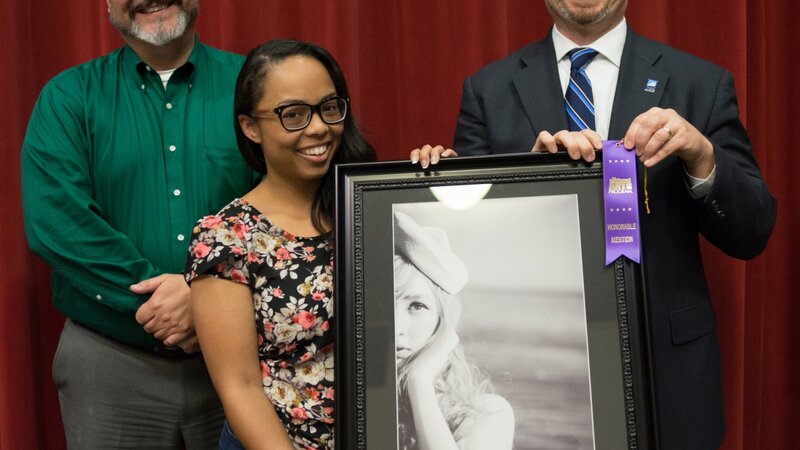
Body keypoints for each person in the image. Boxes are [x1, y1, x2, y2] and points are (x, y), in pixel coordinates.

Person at [411, 1, 777, 449]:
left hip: (669, 374)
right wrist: (527, 182)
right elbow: (470, 228)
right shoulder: (488, 90)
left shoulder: (700, 82)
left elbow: (752, 231)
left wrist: (702, 156)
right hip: (541, 384)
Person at [20, 1, 259, 448]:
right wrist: (171, 300)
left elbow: (293, 205)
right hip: (109, 364)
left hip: (246, 357)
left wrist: (204, 300)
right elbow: (56, 221)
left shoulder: (255, 86)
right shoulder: (68, 97)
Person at [184, 39, 377, 449]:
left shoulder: (369, 205)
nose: (319, 128)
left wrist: (427, 186)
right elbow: (240, 388)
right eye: (293, 114)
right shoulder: (226, 238)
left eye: (329, 107)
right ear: (250, 126)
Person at [392, 211, 514, 450]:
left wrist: (420, 383)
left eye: (417, 305)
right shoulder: (341, 404)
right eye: (383, 306)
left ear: (442, 321)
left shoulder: (486, 415)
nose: (396, 325)